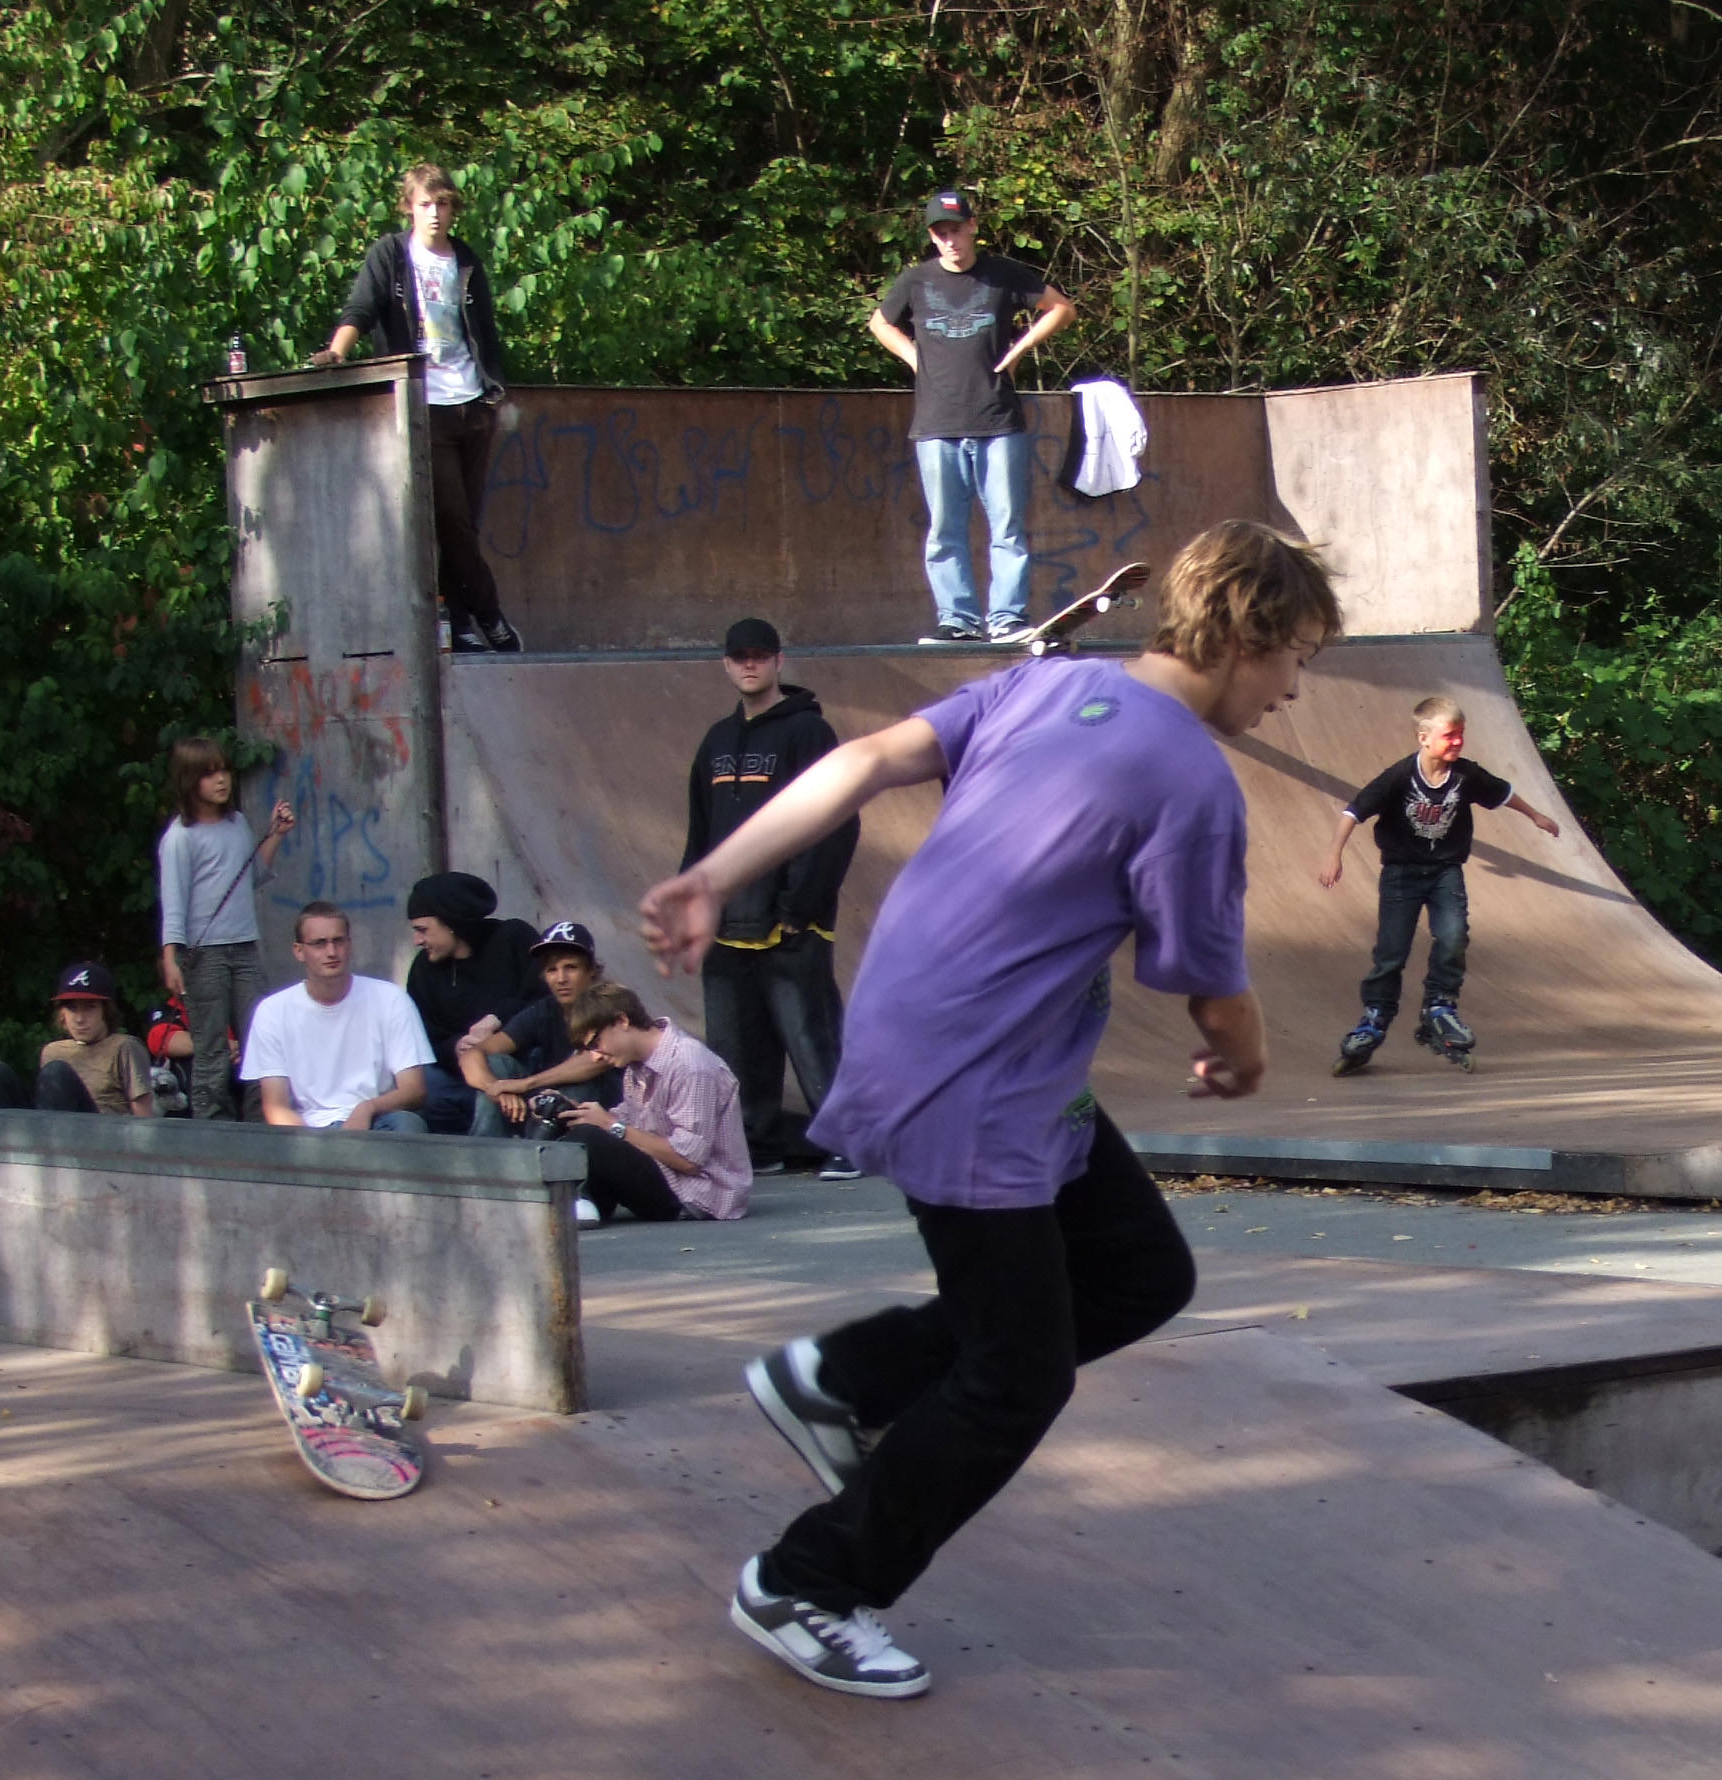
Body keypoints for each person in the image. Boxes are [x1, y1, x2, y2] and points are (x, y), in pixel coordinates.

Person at [639, 519, 1341, 1698]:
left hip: (953, 1044)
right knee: (1018, 1373)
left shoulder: (1043, 685)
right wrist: (1246, 1060)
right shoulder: (1192, 783)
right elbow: (1215, 995)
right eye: (1296, 660)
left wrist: (715, 871)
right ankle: (806, 1582)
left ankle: (849, 1378)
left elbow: (863, 763)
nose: (1294, 691)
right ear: (1243, 636)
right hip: (974, 1083)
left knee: (1140, 1273)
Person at [311, 162, 523, 654]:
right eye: (425, 204)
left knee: (463, 522)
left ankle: (460, 624)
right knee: (451, 516)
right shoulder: (391, 255)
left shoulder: (465, 261)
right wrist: (337, 351)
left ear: (453, 209)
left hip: (472, 402)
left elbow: (485, 334)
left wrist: (494, 392)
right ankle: (489, 613)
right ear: (408, 207)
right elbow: (361, 309)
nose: (434, 214)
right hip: (423, 405)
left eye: (443, 204)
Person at [684, 618, 860, 1180]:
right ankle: (757, 1144)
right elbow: (701, 831)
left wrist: (798, 906)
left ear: (779, 661)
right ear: (726, 664)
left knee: (812, 1037)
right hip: (726, 921)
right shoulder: (716, 740)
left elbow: (835, 821)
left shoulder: (809, 732)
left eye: (760, 655)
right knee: (737, 1045)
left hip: (791, 920)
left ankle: (848, 1143)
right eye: (740, 657)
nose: (750, 664)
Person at [871, 189, 1078, 644]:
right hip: (936, 424)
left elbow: (1062, 308)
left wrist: (1021, 348)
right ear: (932, 237)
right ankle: (958, 620)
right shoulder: (916, 281)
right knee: (945, 530)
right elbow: (879, 322)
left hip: (998, 420)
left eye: (956, 230)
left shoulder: (1002, 274)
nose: (950, 241)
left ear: (972, 227)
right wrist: (914, 357)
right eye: (941, 234)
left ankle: (1006, 619)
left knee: (1006, 527)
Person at [1319, 694, 1562, 1068]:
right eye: (1450, 735)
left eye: (1461, 734)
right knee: (1391, 952)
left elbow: (1504, 793)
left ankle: (1439, 1006)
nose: (1458, 741)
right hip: (1401, 875)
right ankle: (1375, 1018)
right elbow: (1353, 812)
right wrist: (1334, 855)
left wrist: (1536, 816)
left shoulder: (1466, 775)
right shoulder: (1399, 777)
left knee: (1453, 937)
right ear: (1424, 737)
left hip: (1445, 872)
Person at [157, 737, 296, 1123]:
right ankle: (212, 1128)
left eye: (223, 770)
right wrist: (171, 957)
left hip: (245, 947)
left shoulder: (237, 823)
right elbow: (174, 903)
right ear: (189, 781)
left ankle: (260, 1120)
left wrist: (276, 834)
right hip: (205, 955)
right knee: (212, 1047)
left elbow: (252, 876)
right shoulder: (180, 837)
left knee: (260, 1039)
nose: (221, 780)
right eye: (209, 773)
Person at [554, 982, 751, 1228]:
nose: (595, 1057)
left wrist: (610, 1125)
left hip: (698, 1193)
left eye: (595, 1043)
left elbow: (689, 1160)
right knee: (569, 1126)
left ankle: (574, 1201)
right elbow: (630, 1120)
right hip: (667, 1176)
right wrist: (578, 1112)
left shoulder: (690, 1064)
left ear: (622, 1021)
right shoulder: (636, 1066)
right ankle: (582, 1202)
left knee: (588, 1138)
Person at [241, 902, 435, 1132]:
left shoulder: (391, 998)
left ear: (349, 945)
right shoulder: (272, 1011)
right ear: (299, 951)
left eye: (338, 941)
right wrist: (314, 1145)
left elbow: (414, 1090)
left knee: (408, 1124)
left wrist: (367, 1108)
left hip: (378, 1119)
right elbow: (276, 1107)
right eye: (319, 943)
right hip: (311, 1128)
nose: (331, 952)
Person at [403, 871, 546, 1134]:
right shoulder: (424, 970)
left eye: (423, 930)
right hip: (458, 1080)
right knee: (420, 1085)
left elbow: (546, 997)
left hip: (524, 1072)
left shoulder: (513, 938)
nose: (418, 941)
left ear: (451, 922)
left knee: (497, 1064)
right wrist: (456, 1047)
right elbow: (421, 1037)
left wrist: (498, 1019)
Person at [455, 920, 622, 1134]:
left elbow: (597, 1059)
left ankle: (537, 1151)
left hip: (600, 1114)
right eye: (552, 970)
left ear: (591, 970)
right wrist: (496, 1090)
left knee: (578, 1086)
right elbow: (473, 1053)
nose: (561, 979)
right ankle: (483, 1152)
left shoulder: (610, 1002)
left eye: (571, 968)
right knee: (497, 1063)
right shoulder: (544, 1009)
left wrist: (525, 1084)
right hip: (544, 1099)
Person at [0, 962, 158, 1120]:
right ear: (62, 1014)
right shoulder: (52, 1051)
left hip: (102, 1141)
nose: (80, 1019)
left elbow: (144, 1121)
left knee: (56, 1073)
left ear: (106, 1011)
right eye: (72, 1009)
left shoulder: (125, 1046)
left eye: (90, 1007)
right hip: (48, 1136)